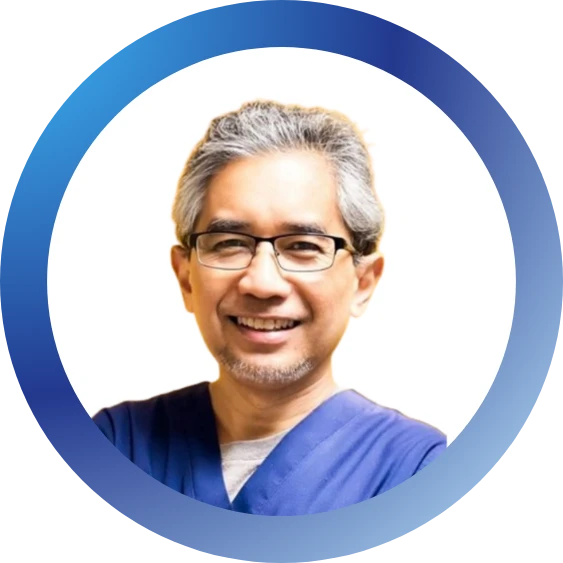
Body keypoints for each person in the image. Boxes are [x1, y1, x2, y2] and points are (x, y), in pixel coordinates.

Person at [93, 100, 446, 515]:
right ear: (186, 277)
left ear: (362, 282)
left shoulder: (416, 471)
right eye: (229, 244)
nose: (262, 283)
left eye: (303, 246)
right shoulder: (115, 445)